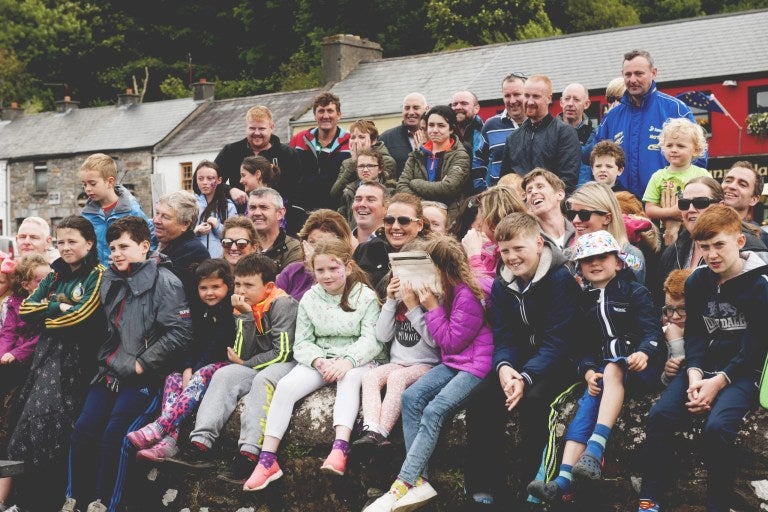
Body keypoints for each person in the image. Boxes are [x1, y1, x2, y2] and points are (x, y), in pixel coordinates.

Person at [637, 204, 768, 512]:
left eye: (719, 245)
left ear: (738, 242)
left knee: (718, 427)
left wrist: (718, 382)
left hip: (742, 371)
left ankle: (717, 504)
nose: (712, 255)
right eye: (705, 247)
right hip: (702, 365)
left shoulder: (760, 285)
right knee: (660, 415)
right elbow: (695, 333)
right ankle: (650, 497)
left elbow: (755, 347)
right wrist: (694, 372)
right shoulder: (697, 281)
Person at [61, 216, 191, 512]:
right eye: (112, 247)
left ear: (145, 246)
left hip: (143, 377)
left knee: (115, 437)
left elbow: (180, 331)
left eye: (123, 246)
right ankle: (75, 499)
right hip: (108, 372)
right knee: (83, 430)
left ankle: (105, 503)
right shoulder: (110, 276)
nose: (115, 253)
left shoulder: (166, 281)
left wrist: (142, 364)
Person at [527, 230, 662, 504]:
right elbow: (583, 346)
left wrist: (644, 353)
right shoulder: (584, 300)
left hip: (639, 367)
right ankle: (562, 479)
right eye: (587, 260)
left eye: (602, 257)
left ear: (619, 262)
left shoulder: (635, 292)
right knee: (589, 398)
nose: (595, 263)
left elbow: (652, 332)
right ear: (579, 267)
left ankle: (595, 447)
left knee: (612, 369)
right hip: (606, 373)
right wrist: (588, 371)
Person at [242, 238, 386, 491]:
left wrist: (347, 361)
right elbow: (303, 342)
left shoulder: (366, 297)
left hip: (358, 359)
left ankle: (340, 448)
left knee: (349, 379)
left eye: (333, 269)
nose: (327, 276)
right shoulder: (310, 298)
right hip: (321, 358)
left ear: (348, 267)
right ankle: (267, 460)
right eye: (320, 270)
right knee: (285, 386)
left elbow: (371, 340)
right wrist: (318, 360)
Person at [362, 236, 493, 512]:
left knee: (434, 411)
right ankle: (421, 480)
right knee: (411, 398)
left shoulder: (467, 293)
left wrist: (429, 306)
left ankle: (402, 483)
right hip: (454, 362)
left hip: (476, 365)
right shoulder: (447, 288)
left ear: (442, 268)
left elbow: (449, 341)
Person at [469, 212, 581, 509]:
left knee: (534, 401)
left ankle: (533, 486)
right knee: (481, 399)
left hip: (559, 362)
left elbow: (559, 340)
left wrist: (525, 377)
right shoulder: (501, 285)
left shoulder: (560, 279)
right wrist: (505, 368)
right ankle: (485, 484)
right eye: (505, 251)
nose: (512, 257)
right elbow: (504, 336)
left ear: (538, 243)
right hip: (520, 363)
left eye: (519, 249)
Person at [165, 253, 298, 486]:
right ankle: (200, 444)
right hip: (255, 361)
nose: (241, 290)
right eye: (238, 283)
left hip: (285, 364)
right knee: (224, 374)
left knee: (262, 381)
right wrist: (246, 316)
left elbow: (282, 352)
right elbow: (240, 352)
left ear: (268, 287)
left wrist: (245, 364)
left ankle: (249, 452)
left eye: (249, 285)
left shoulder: (282, 304)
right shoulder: (240, 306)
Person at [8, 216, 108, 512]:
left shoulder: (97, 274)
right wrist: (59, 307)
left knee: (61, 426)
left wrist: (49, 317)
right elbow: (27, 308)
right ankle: (27, 499)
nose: (66, 248)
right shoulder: (54, 275)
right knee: (30, 422)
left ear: (89, 243)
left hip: (79, 362)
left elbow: (83, 316)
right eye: (61, 241)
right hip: (47, 360)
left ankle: (56, 498)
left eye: (72, 241)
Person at [126, 259, 236, 462]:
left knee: (202, 373)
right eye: (203, 288)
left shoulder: (230, 309)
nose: (209, 292)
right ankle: (169, 441)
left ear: (227, 286)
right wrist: (187, 367)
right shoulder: (200, 309)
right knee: (173, 379)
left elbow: (218, 344)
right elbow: (192, 341)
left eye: (215, 287)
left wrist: (196, 369)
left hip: (226, 364)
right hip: (199, 365)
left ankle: (160, 426)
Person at [354, 240, 440, 450]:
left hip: (426, 364)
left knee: (396, 378)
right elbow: (383, 335)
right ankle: (371, 428)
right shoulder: (397, 302)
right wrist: (391, 300)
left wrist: (414, 307)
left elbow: (434, 340)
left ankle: (381, 433)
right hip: (399, 361)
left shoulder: (434, 301)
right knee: (371, 376)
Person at [595, 50, 705, 198]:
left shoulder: (676, 109)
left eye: (639, 73)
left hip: (665, 204)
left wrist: (682, 195)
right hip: (622, 204)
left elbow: (699, 157)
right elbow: (595, 158)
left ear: (653, 73)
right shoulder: (612, 117)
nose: (632, 79)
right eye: (628, 74)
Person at [658, 177, 767, 297]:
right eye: (684, 204)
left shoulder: (750, 246)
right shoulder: (673, 249)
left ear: (720, 206)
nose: (690, 209)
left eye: (700, 202)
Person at [0, 254, 48, 510]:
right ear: (27, 283)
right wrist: (3, 353)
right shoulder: (16, 302)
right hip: (10, 360)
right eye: (39, 280)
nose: (45, 283)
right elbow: (7, 331)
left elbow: (41, 337)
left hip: (30, 364)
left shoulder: (47, 304)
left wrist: (16, 354)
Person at [500, 74, 581, 194]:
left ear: (548, 98)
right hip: (520, 208)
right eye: (526, 95)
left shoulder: (565, 133)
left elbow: (568, 180)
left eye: (536, 96)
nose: (530, 101)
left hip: (552, 207)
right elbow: (505, 181)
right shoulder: (513, 138)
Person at [215, 105, 301, 210]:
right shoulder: (231, 151)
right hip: (239, 215)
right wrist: (229, 190)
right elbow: (210, 181)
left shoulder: (288, 154)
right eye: (252, 128)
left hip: (278, 217)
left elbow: (297, 190)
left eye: (261, 129)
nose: (256, 133)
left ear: (272, 127)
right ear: (246, 127)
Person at [642, 118, 710, 245]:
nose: (673, 149)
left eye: (680, 146)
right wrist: (671, 212)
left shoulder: (702, 174)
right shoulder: (658, 176)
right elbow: (649, 209)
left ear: (695, 150)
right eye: (669, 145)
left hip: (697, 231)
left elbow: (711, 205)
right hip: (664, 234)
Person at [79, 153, 154, 266]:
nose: (87, 189)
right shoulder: (86, 215)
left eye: (92, 184)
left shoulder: (132, 212)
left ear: (110, 182)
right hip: (96, 277)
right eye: (84, 185)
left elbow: (148, 243)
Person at [397, 105, 470, 220]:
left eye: (441, 126)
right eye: (431, 125)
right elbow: (401, 186)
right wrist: (425, 206)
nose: (435, 130)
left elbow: (448, 188)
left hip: (448, 219)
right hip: (418, 216)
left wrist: (415, 183)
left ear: (451, 129)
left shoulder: (460, 155)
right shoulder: (417, 154)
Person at [354, 193, 432, 296]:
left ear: (419, 225)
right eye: (389, 220)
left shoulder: (431, 255)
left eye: (404, 221)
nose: (395, 226)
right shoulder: (365, 250)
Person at [566, 182, 646, 283]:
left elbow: (636, 295)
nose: (575, 220)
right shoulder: (568, 256)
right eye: (572, 214)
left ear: (607, 218)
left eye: (584, 214)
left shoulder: (631, 256)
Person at [290, 92, 351, 211]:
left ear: (339, 115)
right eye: (321, 111)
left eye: (330, 111)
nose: (325, 116)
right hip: (303, 209)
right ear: (315, 115)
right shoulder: (299, 139)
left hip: (337, 210)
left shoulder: (351, 142)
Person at [277, 209, 354, 302]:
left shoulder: (347, 273)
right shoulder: (292, 272)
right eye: (312, 242)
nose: (316, 249)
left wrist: (315, 270)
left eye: (324, 243)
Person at [472, 73, 527, 191]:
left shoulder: (538, 124)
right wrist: (482, 190)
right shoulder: (491, 126)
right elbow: (479, 159)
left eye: (517, 94)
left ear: (527, 94)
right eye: (507, 95)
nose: (512, 100)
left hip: (533, 198)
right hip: (500, 199)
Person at [462, 186, 527, 284]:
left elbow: (489, 295)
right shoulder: (492, 249)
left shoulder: (520, 251)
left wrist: (474, 257)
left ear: (491, 224)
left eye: (480, 215)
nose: (479, 224)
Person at [153, 190, 210, 300]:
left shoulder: (193, 251)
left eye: (165, 217)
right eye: (157, 213)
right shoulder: (161, 242)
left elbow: (169, 293)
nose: (156, 220)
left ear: (185, 224)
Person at [331, 119, 397, 209]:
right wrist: (353, 163)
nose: (356, 141)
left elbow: (387, 191)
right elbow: (335, 193)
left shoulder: (387, 160)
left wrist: (365, 156)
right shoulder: (347, 162)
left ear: (373, 141)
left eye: (361, 137)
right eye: (353, 137)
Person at [335, 147, 396, 227]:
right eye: (361, 166)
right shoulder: (348, 191)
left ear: (380, 169)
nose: (365, 170)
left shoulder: (391, 191)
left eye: (370, 166)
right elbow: (341, 220)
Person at [247, 187, 302, 272]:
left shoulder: (293, 248)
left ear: (280, 213)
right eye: (252, 207)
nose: (257, 213)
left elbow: (288, 282)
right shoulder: (240, 244)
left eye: (263, 207)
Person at [191, 160, 237, 258]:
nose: (205, 182)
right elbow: (180, 236)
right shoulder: (190, 204)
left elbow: (235, 236)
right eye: (200, 178)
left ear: (219, 180)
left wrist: (218, 226)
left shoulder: (229, 206)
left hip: (220, 262)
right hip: (194, 261)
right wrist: (195, 231)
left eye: (210, 178)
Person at [379, 93, 430, 177]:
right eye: (407, 108)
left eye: (416, 108)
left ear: (427, 109)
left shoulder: (436, 136)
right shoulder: (386, 138)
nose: (410, 112)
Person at [523, 169, 575, 250]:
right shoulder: (526, 239)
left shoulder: (579, 229)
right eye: (529, 191)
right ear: (529, 206)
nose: (533, 192)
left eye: (540, 186)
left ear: (559, 194)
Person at [721, 160, 768, 246]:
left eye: (742, 184)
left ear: (754, 199)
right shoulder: (700, 225)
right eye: (728, 181)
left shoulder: (762, 238)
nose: (731, 186)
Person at [558, 83, 597, 187]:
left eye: (576, 99)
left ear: (587, 104)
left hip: (585, 197)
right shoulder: (549, 133)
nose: (570, 103)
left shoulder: (594, 136)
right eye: (567, 99)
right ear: (561, 102)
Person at [659, 268, 693, 387]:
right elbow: (665, 382)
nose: (675, 316)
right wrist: (668, 373)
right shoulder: (665, 334)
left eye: (682, 309)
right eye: (669, 309)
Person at [351, 181, 388, 246]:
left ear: (386, 208)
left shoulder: (395, 245)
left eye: (370, 200)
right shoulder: (340, 243)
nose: (362, 204)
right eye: (358, 199)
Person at [451, 91, 484, 159]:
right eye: (454, 104)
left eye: (464, 103)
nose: (458, 107)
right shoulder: (445, 134)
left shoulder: (486, 133)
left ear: (476, 108)